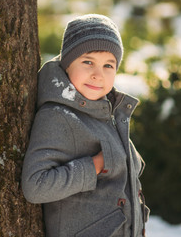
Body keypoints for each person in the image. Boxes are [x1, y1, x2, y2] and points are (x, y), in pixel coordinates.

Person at [22, 14, 149, 237]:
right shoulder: (59, 115)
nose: (98, 75)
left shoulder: (104, 112)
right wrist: (95, 165)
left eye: (108, 65)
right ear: (67, 64)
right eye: (88, 62)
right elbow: (36, 185)